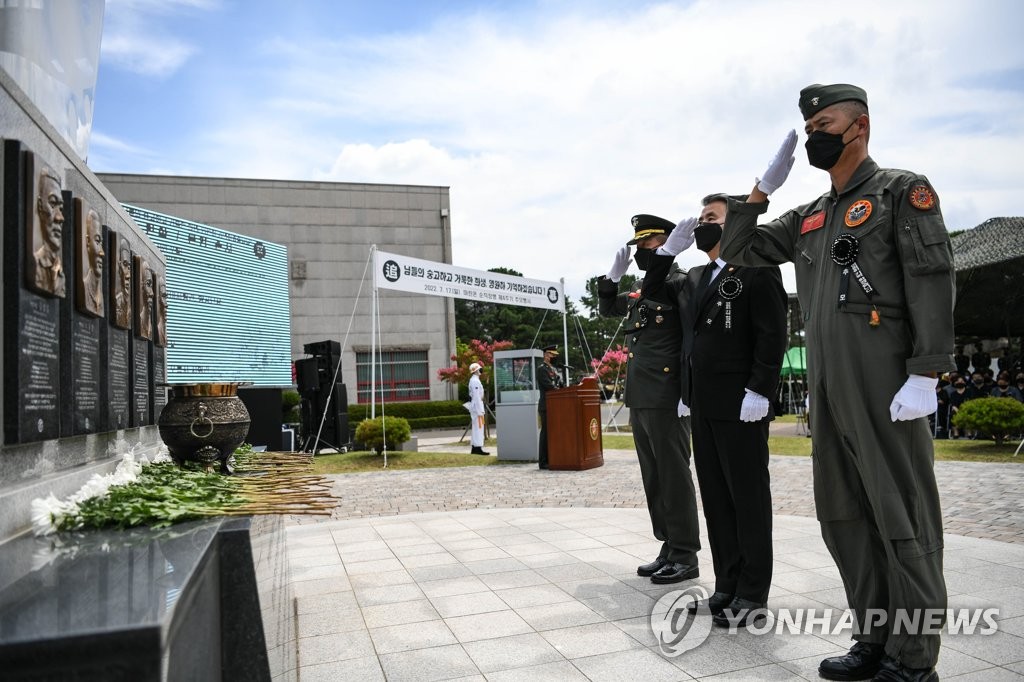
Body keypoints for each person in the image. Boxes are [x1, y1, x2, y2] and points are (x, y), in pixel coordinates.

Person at [719, 84, 954, 682]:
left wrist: (927, 370)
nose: (814, 135)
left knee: (901, 517)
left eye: (824, 123)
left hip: (885, 383)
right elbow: (737, 249)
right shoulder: (810, 216)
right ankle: (874, 639)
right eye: (808, 128)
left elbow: (930, 277)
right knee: (844, 517)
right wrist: (761, 190)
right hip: (827, 389)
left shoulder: (901, 191)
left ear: (860, 127)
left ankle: (913, 659)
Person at [679, 194, 788, 625]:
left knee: (748, 501)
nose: (704, 223)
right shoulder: (697, 276)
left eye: (713, 217)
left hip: (742, 404)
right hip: (703, 404)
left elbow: (772, 333)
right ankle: (726, 584)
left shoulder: (757, 270)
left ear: (735, 225)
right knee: (717, 500)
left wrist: (760, 389)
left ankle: (752, 592)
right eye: (702, 216)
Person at [597, 214, 702, 584]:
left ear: (666, 242)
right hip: (641, 394)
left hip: (667, 395)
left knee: (673, 476)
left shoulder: (680, 282)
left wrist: (686, 391)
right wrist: (611, 280)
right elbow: (608, 309)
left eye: (647, 243)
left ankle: (686, 553)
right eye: (638, 245)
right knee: (654, 477)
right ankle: (669, 545)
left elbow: (689, 334)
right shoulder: (647, 287)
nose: (640, 251)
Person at [28, 166, 66, 297]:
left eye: (61, 208)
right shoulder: (35, 263)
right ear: (39, 205)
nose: (60, 217)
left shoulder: (59, 268)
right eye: (52, 204)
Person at [536, 345, 563, 469]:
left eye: (554, 355)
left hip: (555, 405)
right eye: (551, 354)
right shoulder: (542, 369)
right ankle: (543, 461)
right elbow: (548, 385)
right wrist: (558, 390)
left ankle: (552, 457)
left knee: (552, 433)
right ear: (546, 354)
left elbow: (558, 383)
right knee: (545, 433)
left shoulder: (553, 368)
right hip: (546, 405)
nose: (553, 357)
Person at [79, 206, 105, 317]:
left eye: (101, 243)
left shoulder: (101, 295)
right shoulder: (84, 287)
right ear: (87, 242)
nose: (102, 253)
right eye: (97, 241)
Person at [468, 362, 489, 455]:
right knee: (478, 427)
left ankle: (475, 447)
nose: (481, 370)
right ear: (476, 370)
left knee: (477, 427)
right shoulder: (475, 381)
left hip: (477, 406)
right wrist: (479, 410)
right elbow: (476, 396)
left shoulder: (474, 380)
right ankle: (477, 448)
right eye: (479, 369)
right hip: (477, 407)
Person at [112, 234, 132, 329]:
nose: (129, 275)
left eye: (129, 267)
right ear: (118, 267)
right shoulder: (117, 301)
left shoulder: (129, 307)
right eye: (124, 265)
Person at [136, 257, 154, 340]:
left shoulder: (150, 324)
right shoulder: (140, 318)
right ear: (141, 286)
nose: (152, 293)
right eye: (148, 284)